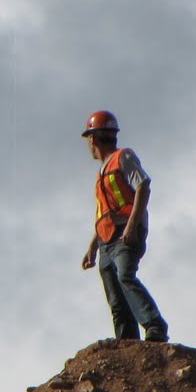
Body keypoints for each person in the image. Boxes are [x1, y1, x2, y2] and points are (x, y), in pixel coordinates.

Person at [80, 111, 169, 342]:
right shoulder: (101, 174)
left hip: (124, 234)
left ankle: (155, 325)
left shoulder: (123, 157)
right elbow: (104, 214)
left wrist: (132, 225)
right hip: (106, 240)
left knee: (125, 277)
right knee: (116, 298)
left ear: (93, 138)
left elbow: (143, 185)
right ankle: (127, 343)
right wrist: (92, 246)